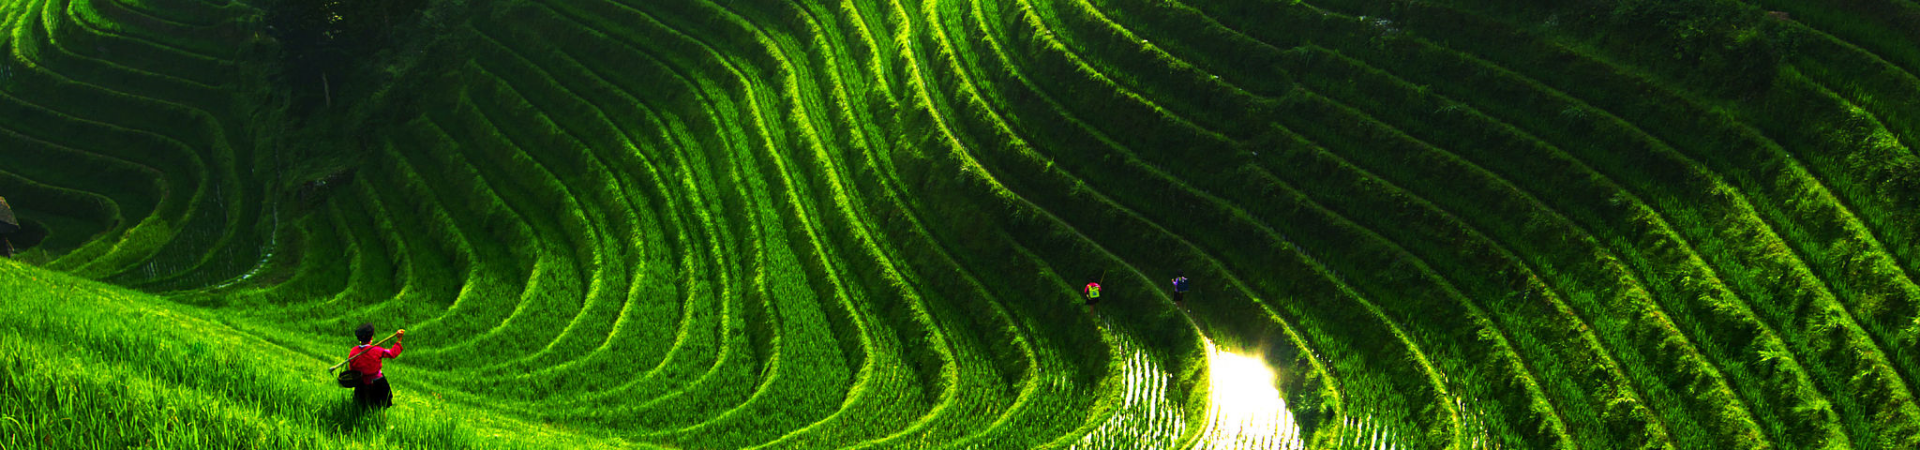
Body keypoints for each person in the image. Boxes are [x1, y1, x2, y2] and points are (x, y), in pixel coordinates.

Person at [348, 323, 404, 409]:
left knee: (362, 407)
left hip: (361, 384)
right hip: (378, 383)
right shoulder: (376, 350)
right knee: (381, 406)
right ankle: (381, 421)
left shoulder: (354, 351)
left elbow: (352, 367)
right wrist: (399, 340)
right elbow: (392, 353)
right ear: (371, 338)